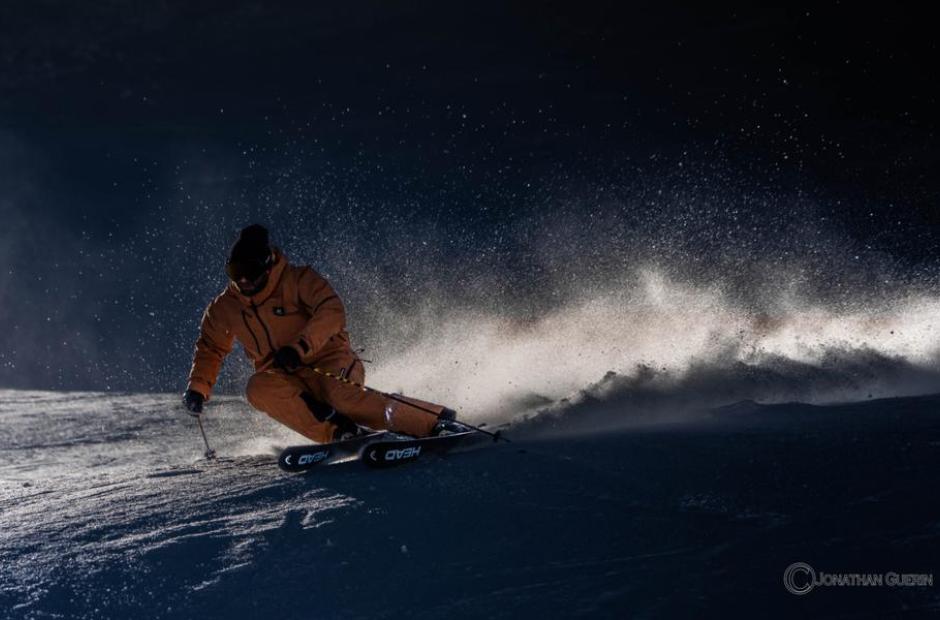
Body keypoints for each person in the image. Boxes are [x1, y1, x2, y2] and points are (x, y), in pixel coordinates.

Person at [181, 224, 456, 443]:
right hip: (283, 375)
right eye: (235, 271)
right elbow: (211, 348)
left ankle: (433, 421)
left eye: (249, 271)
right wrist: (197, 389)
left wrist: (299, 347)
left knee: (343, 398)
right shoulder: (224, 308)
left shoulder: (297, 280)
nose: (242, 280)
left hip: (329, 361)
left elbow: (331, 311)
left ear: (266, 264)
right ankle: (337, 433)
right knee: (258, 388)